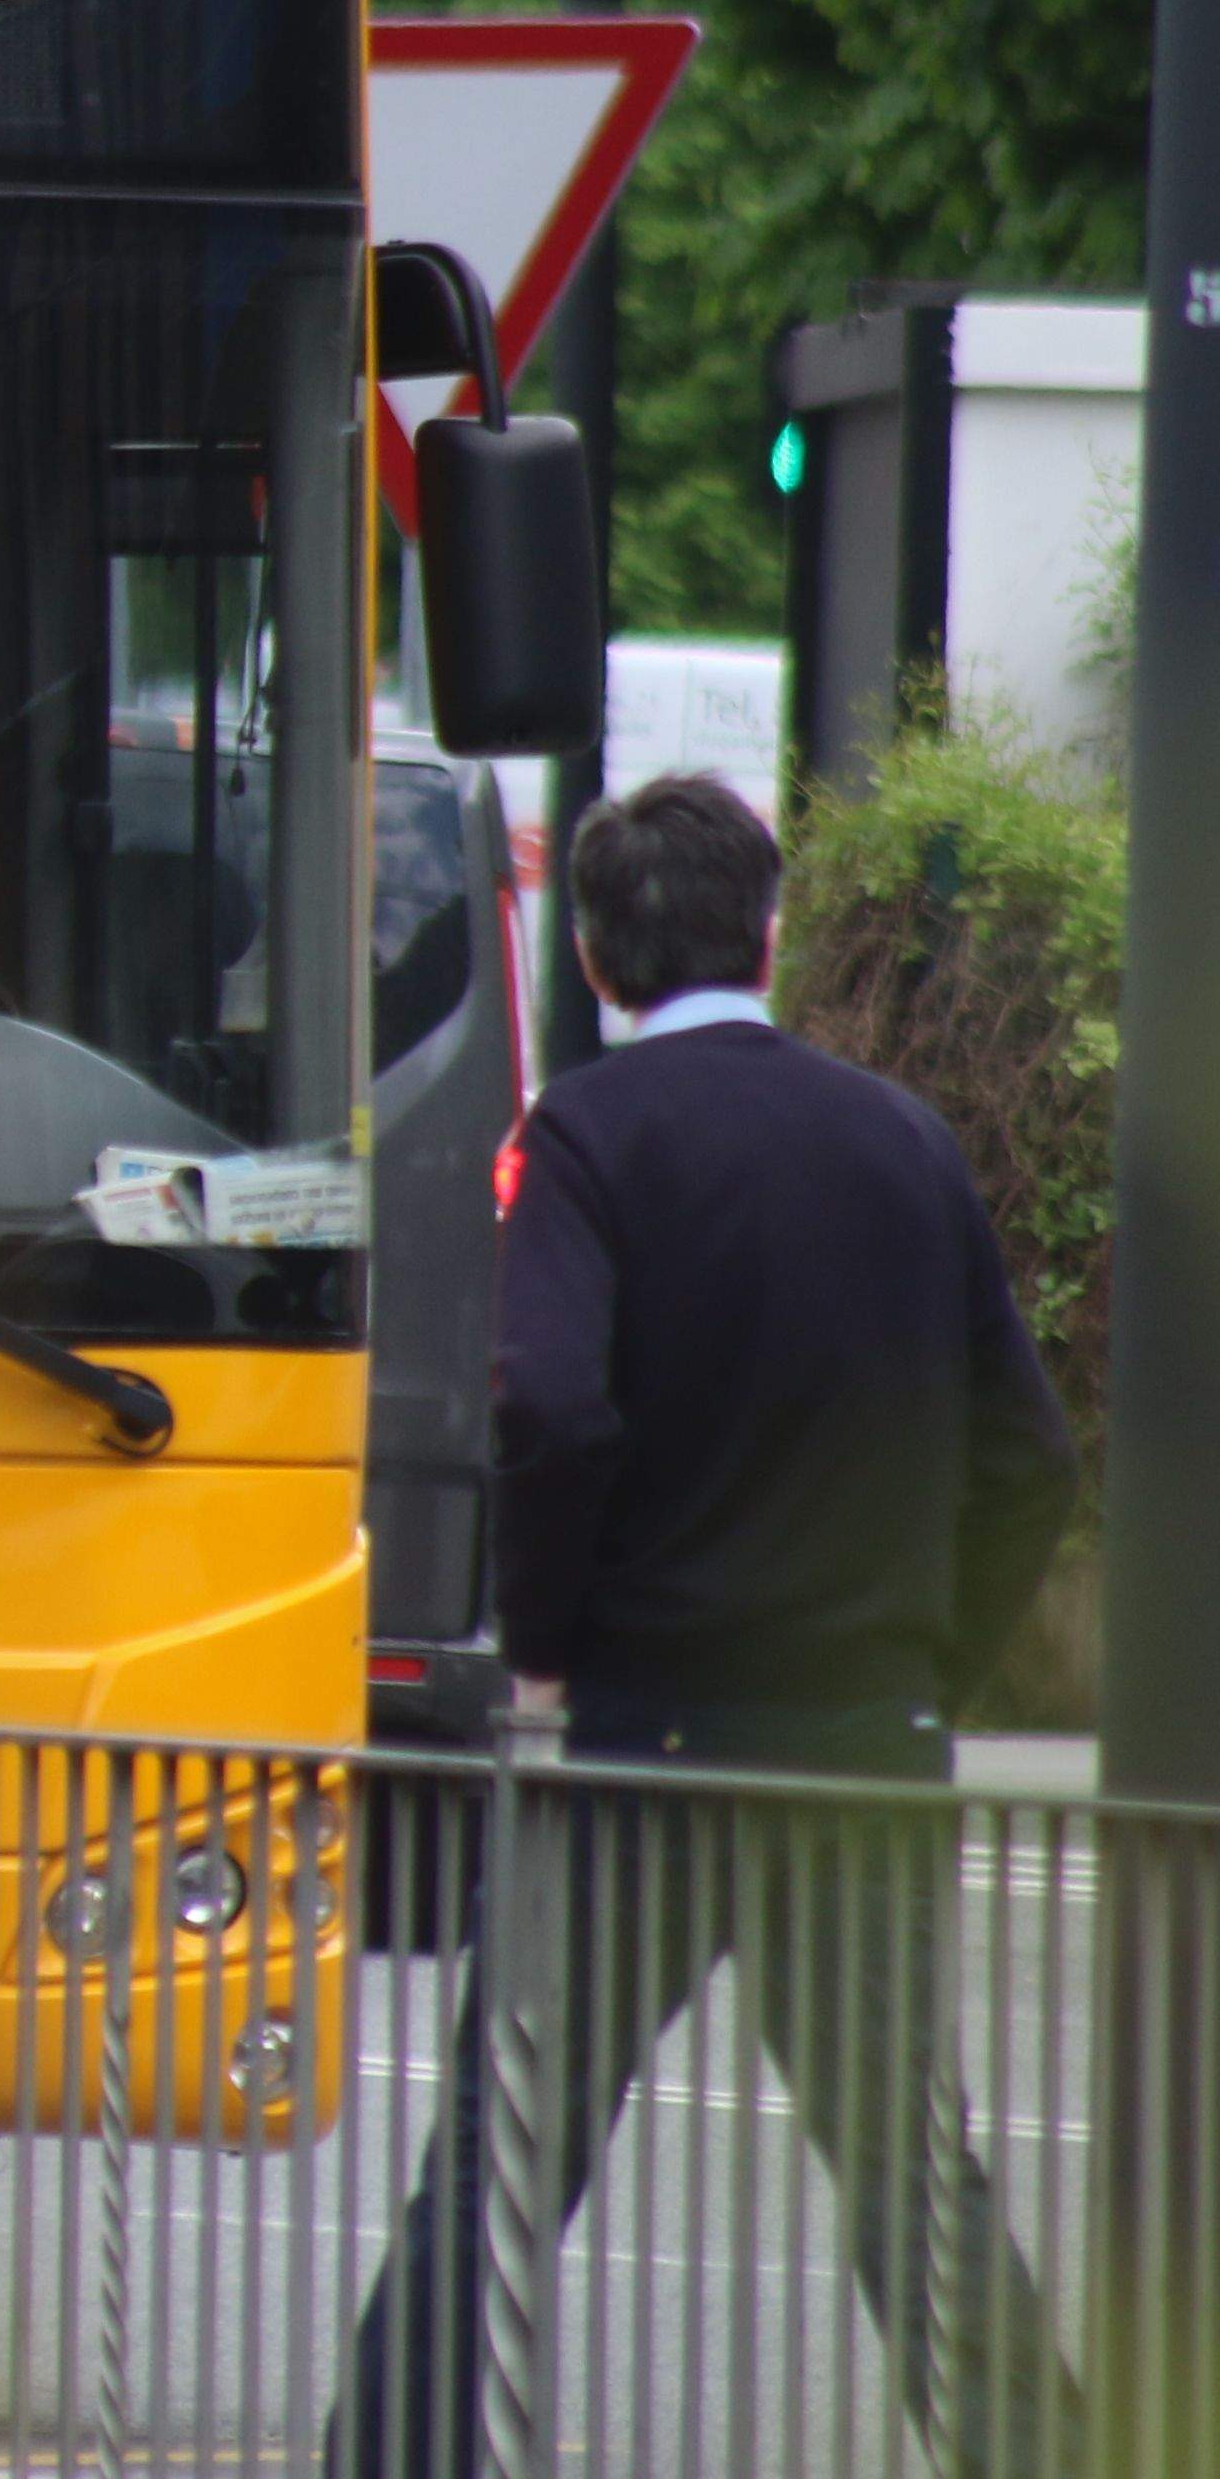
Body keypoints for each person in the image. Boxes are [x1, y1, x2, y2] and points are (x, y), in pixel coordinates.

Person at [331, 770, 1082, 2479]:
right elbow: (1027, 1457)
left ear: (595, 960)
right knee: (909, 2167)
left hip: (642, 1743)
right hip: (861, 1744)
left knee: (507, 2157)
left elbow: (549, 1406)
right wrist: (924, 1661)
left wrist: (551, 1633)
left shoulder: (590, 1141)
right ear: (774, 929)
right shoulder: (905, 1140)